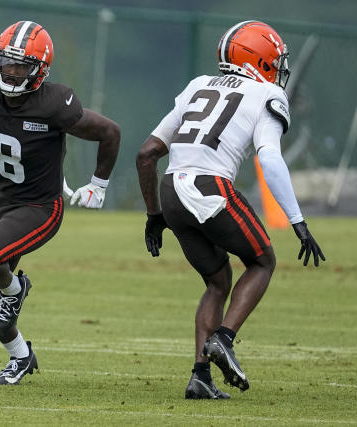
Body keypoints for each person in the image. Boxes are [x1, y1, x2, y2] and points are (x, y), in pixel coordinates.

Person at [135, 20, 324, 399]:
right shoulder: (267, 93)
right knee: (263, 261)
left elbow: (146, 154)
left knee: (218, 281)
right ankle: (223, 338)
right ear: (260, 59)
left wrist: (155, 215)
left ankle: (200, 377)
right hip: (210, 187)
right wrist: (298, 222)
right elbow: (269, 159)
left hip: (171, 190)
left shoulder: (198, 85)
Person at [0, 20, 120, 385]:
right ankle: (20, 356)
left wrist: (98, 184)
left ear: (39, 70)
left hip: (42, 206)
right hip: (4, 198)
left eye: (20, 65)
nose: (10, 71)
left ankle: (16, 288)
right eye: (5, 62)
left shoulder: (54, 102)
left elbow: (109, 132)